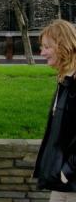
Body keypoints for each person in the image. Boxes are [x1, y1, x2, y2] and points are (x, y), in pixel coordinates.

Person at [33, 19, 76, 200]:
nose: (42, 52)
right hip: (63, 180)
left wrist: (68, 170)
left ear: (63, 45)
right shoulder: (65, 80)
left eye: (47, 47)